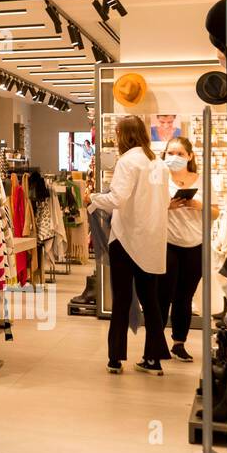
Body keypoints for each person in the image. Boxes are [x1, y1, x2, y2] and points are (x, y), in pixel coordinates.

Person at [85, 115, 171, 375]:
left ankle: (115, 358)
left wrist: (93, 198)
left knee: (121, 299)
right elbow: (165, 200)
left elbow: (118, 198)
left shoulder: (128, 161)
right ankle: (154, 358)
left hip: (125, 239)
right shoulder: (159, 163)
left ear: (123, 135)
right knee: (151, 300)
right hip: (153, 238)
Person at [158, 136, 218, 362]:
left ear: (190, 156)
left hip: (195, 245)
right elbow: (148, 210)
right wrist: (167, 206)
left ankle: (179, 343)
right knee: (162, 295)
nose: (174, 157)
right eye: (170, 153)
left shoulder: (201, 180)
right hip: (167, 243)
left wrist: (197, 204)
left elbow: (215, 212)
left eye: (180, 154)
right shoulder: (159, 179)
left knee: (184, 297)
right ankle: (157, 341)